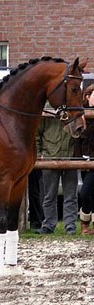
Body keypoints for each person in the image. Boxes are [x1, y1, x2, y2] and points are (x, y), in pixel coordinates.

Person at [35, 111, 79, 235]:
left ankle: (70, 225)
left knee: (71, 195)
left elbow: (80, 130)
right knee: (49, 195)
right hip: (50, 156)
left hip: (70, 156)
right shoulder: (47, 109)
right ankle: (49, 224)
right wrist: (38, 153)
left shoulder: (73, 107)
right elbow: (37, 133)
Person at [74, 84, 94, 235]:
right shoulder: (80, 113)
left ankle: (85, 224)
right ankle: (85, 225)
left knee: (86, 192)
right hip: (84, 159)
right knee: (86, 193)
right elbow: (78, 138)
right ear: (88, 96)